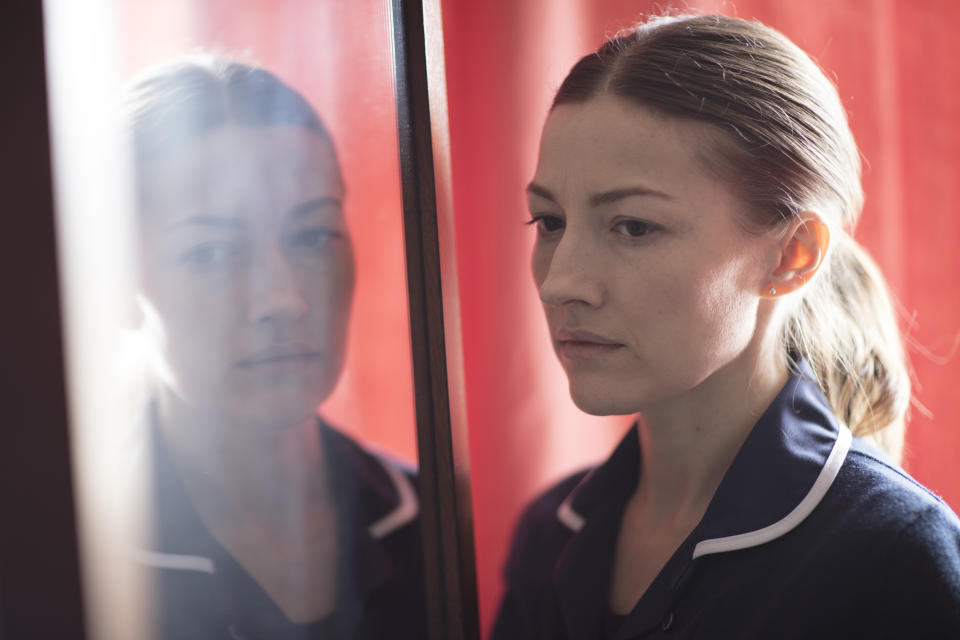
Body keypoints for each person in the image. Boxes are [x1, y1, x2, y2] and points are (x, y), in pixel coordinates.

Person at [492, 14, 960, 640]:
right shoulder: (550, 532)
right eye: (549, 222)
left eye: (633, 226)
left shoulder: (892, 555)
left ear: (792, 255)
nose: (560, 284)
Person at [125, 56, 425, 639]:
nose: (283, 299)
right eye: (209, 252)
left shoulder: (442, 519)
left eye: (313, 236)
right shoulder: (64, 556)